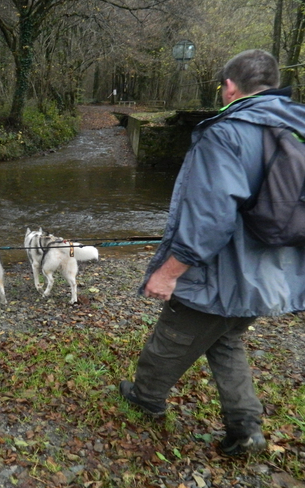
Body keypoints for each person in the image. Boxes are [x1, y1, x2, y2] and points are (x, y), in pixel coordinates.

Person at [119, 49, 305, 456]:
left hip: (222, 271)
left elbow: (210, 220)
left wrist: (168, 272)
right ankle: (246, 427)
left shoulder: (226, 131)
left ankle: (146, 396)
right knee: (227, 338)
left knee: (173, 334)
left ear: (229, 86)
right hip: (274, 271)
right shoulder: (297, 125)